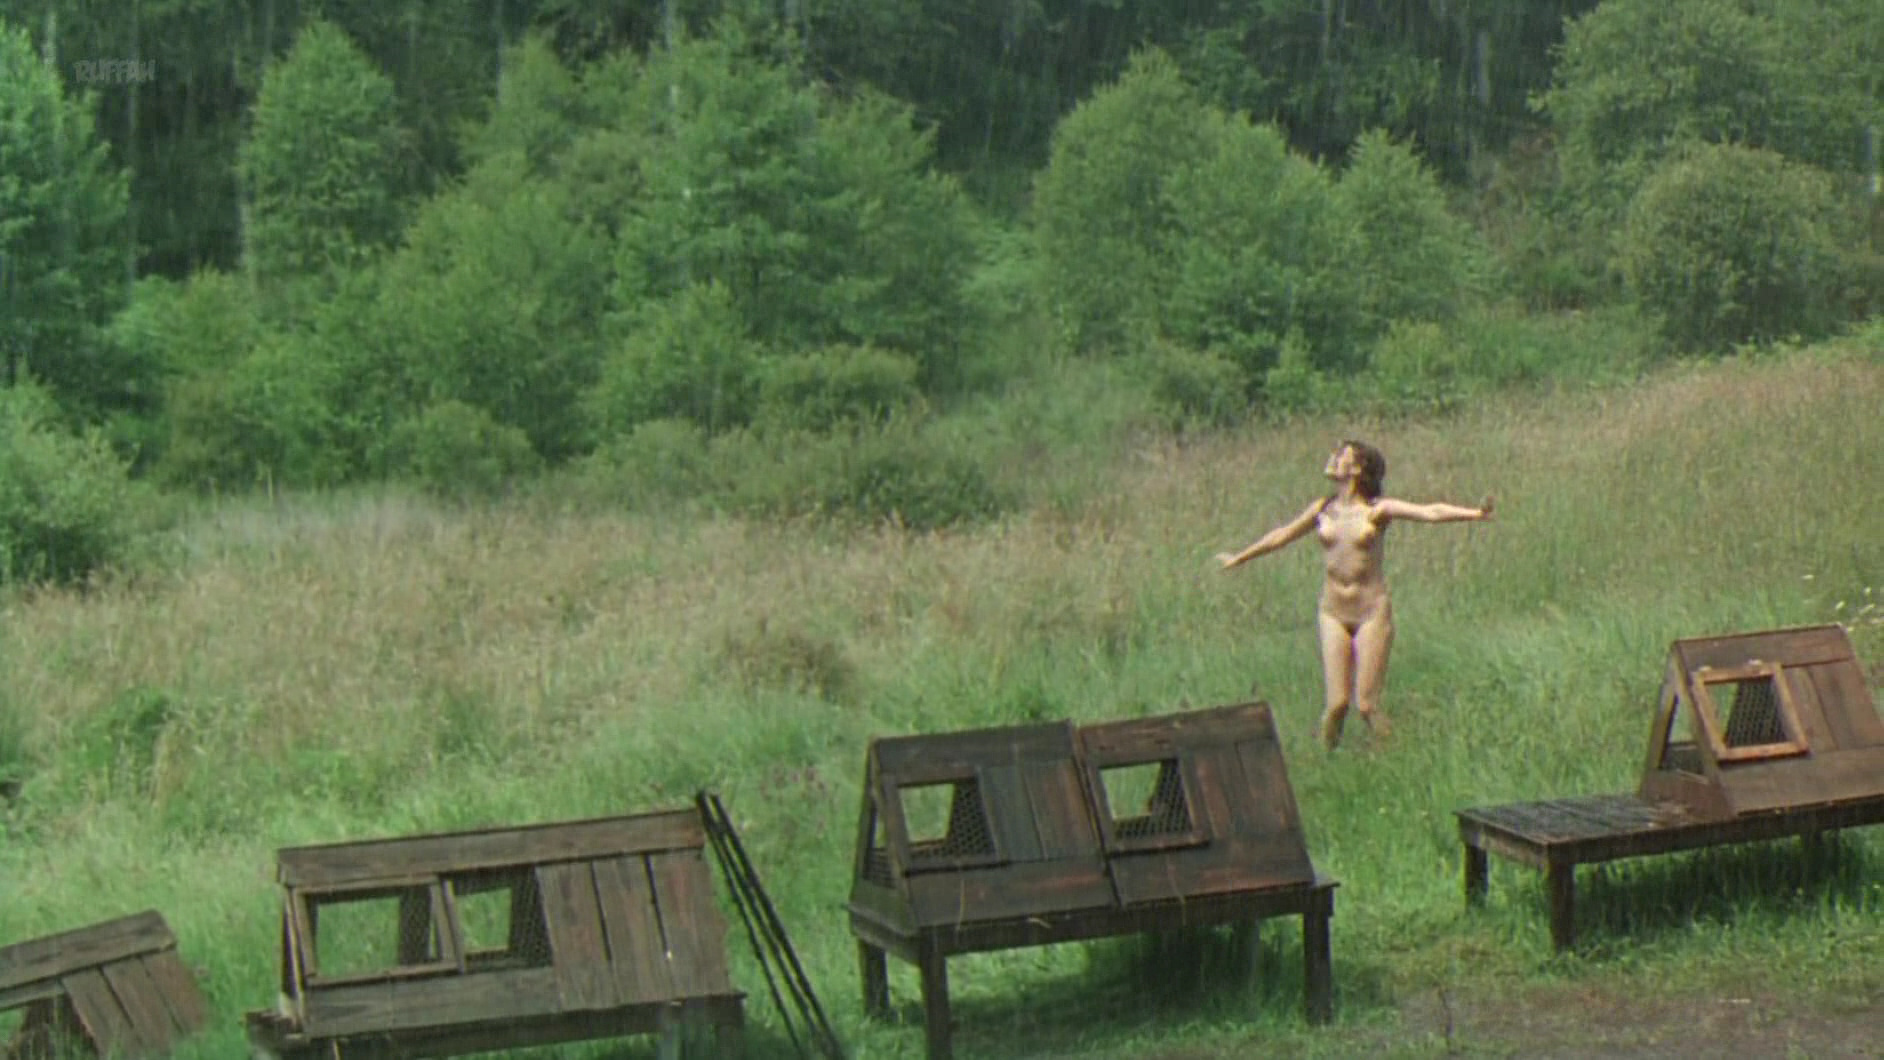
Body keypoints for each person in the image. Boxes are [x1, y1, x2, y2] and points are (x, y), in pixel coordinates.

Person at [1215, 441, 1492, 749]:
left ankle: (1392, 755)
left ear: (1357, 469)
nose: (1332, 459)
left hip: (1370, 611)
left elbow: (1430, 511)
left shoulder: (1377, 510)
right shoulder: (1323, 509)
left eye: (1340, 456)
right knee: (1336, 705)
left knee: (1367, 705)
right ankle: (1326, 758)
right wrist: (1239, 558)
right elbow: (1282, 535)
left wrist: (1475, 513)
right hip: (1333, 612)